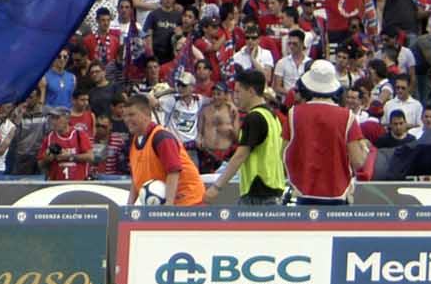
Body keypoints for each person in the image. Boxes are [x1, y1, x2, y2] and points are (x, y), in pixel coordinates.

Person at [283, 59, 367, 205]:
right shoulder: (347, 117)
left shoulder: (294, 114)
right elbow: (358, 161)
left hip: (303, 191)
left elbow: (283, 154)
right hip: (337, 193)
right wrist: (364, 148)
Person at [207, 69, 285, 204]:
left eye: (238, 92)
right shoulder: (272, 116)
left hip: (257, 193)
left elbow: (240, 155)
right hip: (273, 189)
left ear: (251, 91)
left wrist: (216, 187)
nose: (235, 97)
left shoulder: (254, 118)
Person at [122, 90, 205, 206]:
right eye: (125, 116)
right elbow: (136, 179)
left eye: (131, 115)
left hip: (189, 203)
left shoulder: (162, 137)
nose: (127, 120)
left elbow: (174, 171)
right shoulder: (135, 142)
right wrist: (129, 206)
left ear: (147, 114)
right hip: (163, 205)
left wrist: (168, 206)